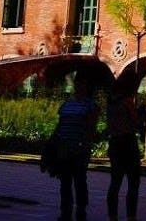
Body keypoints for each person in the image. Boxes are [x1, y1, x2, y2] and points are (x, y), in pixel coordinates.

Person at [54, 72, 99, 221]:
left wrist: (84, 144)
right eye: (77, 83)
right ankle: (65, 211)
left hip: (80, 150)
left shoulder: (90, 105)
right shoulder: (67, 104)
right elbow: (60, 125)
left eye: (82, 84)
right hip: (64, 148)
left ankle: (81, 210)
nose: (79, 86)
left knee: (80, 180)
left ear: (87, 87)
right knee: (65, 182)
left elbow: (92, 128)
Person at [106, 70, 145, 221]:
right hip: (127, 143)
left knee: (115, 183)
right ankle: (131, 217)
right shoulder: (127, 101)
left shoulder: (111, 100)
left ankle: (113, 216)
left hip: (114, 142)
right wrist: (143, 114)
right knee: (133, 183)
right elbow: (135, 123)